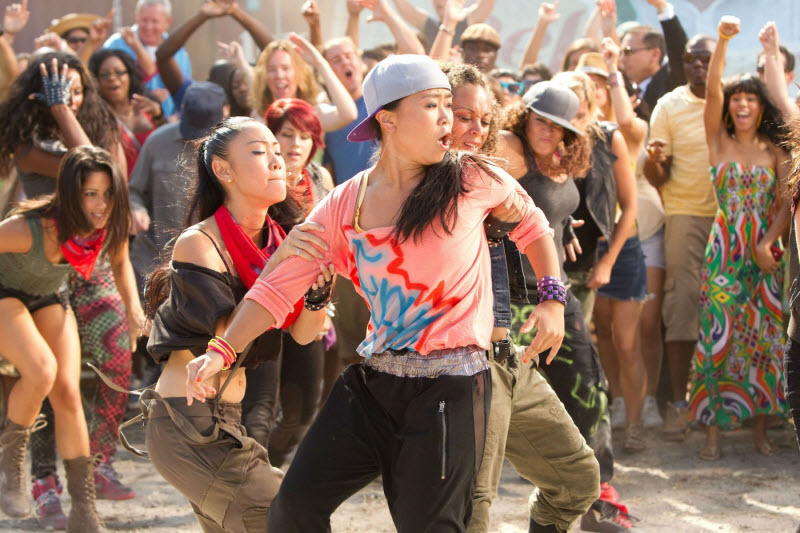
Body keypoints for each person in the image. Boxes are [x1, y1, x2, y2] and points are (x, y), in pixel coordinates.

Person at [185, 54, 565, 532]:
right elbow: (276, 290)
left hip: (451, 386)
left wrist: (552, 298)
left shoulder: (471, 177)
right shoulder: (345, 203)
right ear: (387, 118)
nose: (447, 118)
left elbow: (532, 225)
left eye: (447, 104)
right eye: (432, 105)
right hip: (374, 383)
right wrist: (221, 351)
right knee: (293, 509)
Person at [136, 116, 331, 532]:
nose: (277, 160)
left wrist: (317, 292)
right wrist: (282, 263)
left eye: (276, 151)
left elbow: (303, 334)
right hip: (187, 422)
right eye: (259, 152)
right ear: (223, 170)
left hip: (228, 417)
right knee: (294, 515)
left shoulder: (278, 240)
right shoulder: (200, 242)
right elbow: (227, 335)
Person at [441, 64, 608, 533]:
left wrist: (554, 294)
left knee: (578, 477)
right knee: (474, 501)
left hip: (513, 344)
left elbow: (536, 224)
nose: (476, 130)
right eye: (462, 117)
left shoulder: (490, 174)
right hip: (461, 358)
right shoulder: (418, 182)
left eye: (483, 120)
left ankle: (601, 493)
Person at [0, 144, 140, 533]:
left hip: (47, 295)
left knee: (67, 391)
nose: (101, 204)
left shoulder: (106, 227)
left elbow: (121, 264)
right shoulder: (28, 228)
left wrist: (134, 312)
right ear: (69, 194)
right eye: (90, 194)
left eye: (107, 194)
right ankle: (10, 467)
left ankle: (83, 511)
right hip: (4, 291)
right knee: (41, 371)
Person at [690, 16, 790, 461]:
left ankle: (760, 431)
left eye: (751, 98)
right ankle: (713, 434)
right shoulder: (718, 142)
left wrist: (768, 242)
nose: (743, 104)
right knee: (717, 337)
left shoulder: (775, 150)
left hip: (765, 254)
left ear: (761, 106)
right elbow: (712, 90)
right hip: (723, 252)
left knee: (763, 338)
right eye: (738, 98)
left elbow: (787, 202)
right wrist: (723, 42)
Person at [553, 71, 643, 451]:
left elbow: (630, 206)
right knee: (553, 354)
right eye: (564, 104)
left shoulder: (608, 138)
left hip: (589, 262)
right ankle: (559, 443)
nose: (571, 113)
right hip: (547, 265)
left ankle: (594, 440)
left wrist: (606, 264)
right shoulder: (546, 137)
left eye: (578, 104)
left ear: (591, 104)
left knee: (584, 352)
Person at [644, 34, 717, 441]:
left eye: (705, 58)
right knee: (683, 303)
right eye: (691, 59)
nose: (697, 65)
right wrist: (654, 161)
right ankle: (678, 404)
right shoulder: (669, 105)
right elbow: (657, 176)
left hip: (732, 215)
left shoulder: (735, 100)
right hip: (684, 213)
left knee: (731, 307)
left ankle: (727, 403)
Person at [263, 98, 334, 465]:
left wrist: (325, 304)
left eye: (305, 137)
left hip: (310, 306)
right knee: (260, 409)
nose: (295, 144)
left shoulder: (320, 178)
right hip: (265, 304)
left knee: (303, 410)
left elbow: (334, 243)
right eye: (287, 134)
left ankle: (270, 466)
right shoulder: (259, 177)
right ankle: (257, 480)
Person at [154, 0, 272, 117]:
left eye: (247, 80)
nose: (243, 89)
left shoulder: (269, 111)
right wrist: (202, 16)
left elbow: (272, 51)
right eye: (235, 85)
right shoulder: (199, 102)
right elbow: (163, 56)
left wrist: (236, 12)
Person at [250, 34, 357, 132]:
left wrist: (319, 63)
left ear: (298, 72)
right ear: (264, 76)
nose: (279, 75)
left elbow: (348, 115)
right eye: (271, 70)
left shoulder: (312, 113)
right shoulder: (258, 119)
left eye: (285, 68)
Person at [104, 0, 191, 119]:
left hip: (168, 121)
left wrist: (174, 119)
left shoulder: (178, 51)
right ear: (136, 17)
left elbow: (185, 94)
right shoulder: (116, 44)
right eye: (144, 20)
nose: (148, 27)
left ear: (167, 21)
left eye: (154, 21)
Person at [88, 48, 164, 174]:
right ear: (96, 81)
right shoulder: (94, 117)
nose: (112, 78)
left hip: (155, 183)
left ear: (130, 75)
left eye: (119, 72)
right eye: (104, 75)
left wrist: (159, 116)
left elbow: (169, 145)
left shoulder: (148, 106)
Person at [390, 0, 496, 52]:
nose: (439, 2)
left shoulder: (466, 20)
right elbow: (409, 11)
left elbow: (485, 6)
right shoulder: (430, 25)